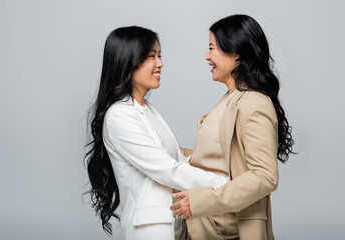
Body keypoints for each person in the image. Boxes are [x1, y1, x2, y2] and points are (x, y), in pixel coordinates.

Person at [85, 26, 229, 240]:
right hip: (150, 231)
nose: (160, 63)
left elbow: (181, 160)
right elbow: (167, 169)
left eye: (159, 56)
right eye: (151, 56)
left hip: (178, 226)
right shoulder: (119, 116)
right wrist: (225, 185)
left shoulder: (148, 110)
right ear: (128, 61)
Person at [171, 14, 294, 240]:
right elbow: (220, 159)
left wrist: (200, 202)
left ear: (236, 52)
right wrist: (178, 153)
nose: (207, 57)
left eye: (212, 48)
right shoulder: (230, 98)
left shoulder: (253, 102)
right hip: (208, 223)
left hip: (227, 228)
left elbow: (264, 176)